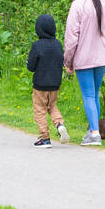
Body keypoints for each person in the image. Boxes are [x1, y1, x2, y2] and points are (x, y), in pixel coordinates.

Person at [63, 0, 105, 146]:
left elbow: (72, 38)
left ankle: (94, 133)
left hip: (85, 56)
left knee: (88, 95)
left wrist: (68, 61)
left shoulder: (78, 4)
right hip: (103, 56)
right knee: (94, 93)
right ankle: (92, 130)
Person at [27, 14, 69, 147]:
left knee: (40, 109)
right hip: (55, 84)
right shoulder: (58, 44)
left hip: (40, 85)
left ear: (38, 29)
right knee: (52, 107)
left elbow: (31, 67)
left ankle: (45, 138)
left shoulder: (37, 45)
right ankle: (59, 124)